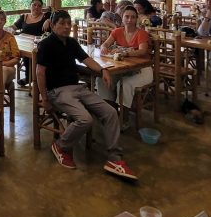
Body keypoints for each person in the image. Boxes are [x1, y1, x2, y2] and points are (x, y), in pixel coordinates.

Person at [36, 10, 138, 181]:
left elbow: (87, 60)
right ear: (53, 25)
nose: (66, 27)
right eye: (61, 23)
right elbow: (40, 72)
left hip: (78, 88)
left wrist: (104, 69)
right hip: (58, 91)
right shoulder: (46, 44)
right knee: (85, 119)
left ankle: (114, 159)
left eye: (68, 23)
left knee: (111, 112)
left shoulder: (71, 43)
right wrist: (44, 98)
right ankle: (61, 146)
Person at [98, 6, 154, 110]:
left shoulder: (141, 33)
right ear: (122, 18)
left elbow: (143, 51)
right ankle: (109, 109)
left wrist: (125, 53)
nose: (129, 20)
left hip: (143, 70)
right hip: (125, 69)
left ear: (136, 19)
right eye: (126, 17)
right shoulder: (117, 31)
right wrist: (103, 47)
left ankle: (124, 116)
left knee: (124, 84)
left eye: (133, 17)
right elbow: (105, 44)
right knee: (101, 79)